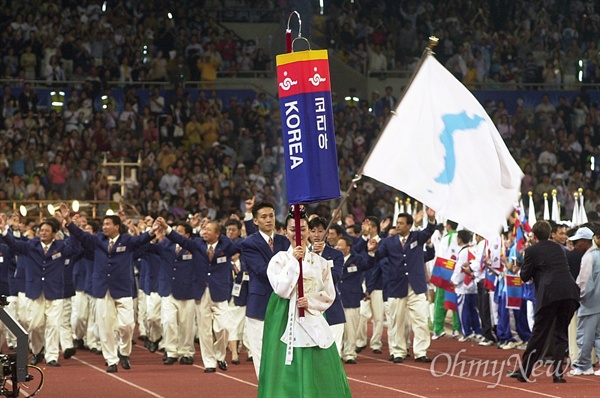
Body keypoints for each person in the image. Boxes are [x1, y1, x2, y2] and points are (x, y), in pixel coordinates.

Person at [257, 207, 351, 397]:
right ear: (285, 231)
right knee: (284, 367)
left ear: (308, 231)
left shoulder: (320, 262)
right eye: (293, 229)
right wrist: (294, 262)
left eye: (302, 229)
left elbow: (329, 294)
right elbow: (281, 290)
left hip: (312, 315)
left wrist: (311, 301)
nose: (297, 234)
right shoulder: (279, 260)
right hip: (285, 318)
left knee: (319, 364)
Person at [61, 204, 159, 373]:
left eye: (108, 224)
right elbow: (82, 236)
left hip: (123, 288)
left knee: (127, 325)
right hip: (102, 288)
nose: (104, 227)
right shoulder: (98, 239)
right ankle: (111, 360)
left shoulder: (127, 240)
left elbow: (141, 240)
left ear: (117, 227)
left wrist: (152, 231)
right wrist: (68, 221)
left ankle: (124, 352)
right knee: (105, 327)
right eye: (103, 224)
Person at [510, 221, 580, 383]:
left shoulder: (531, 250)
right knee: (561, 333)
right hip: (569, 292)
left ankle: (525, 371)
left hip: (549, 295)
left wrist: (524, 264)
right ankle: (557, 374)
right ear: (550, 234)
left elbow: (525, 276)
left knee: (539, 333)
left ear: (534, 235)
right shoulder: (558, 248)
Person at [367, 209, 437, 363]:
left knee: (421, 320)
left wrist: (431, 218)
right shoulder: (388, 242)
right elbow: (378, 258)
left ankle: (421, 352)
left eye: (401, 223)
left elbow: (429, 230)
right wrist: (372, 251)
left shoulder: (417, 237)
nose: (397, 226)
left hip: (416, 286)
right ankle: (398, 352)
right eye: (397, 223)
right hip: (396, 286)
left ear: (409, 226)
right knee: (396, 321)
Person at [236, 199, 290, 378]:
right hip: (260, 303)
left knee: (282, 348)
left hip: (284, 302)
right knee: (260, 349)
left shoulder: (285, 241)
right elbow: (261, 270)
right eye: (264, 217)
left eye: (271, 216)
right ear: (256, 221)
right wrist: (288, 269)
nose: (269, 220)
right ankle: (265, 388)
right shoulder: (249, 243)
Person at [568, 227, 600, 376]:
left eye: (577, 242)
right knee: (598, 336)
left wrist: (577, 297)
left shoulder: (588, 257)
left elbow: (584, 282)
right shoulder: (598, 255)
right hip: (598, 301)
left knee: (584, 335)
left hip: (589, 303)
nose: (575, 245)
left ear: (585, 242)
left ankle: (583, 365)